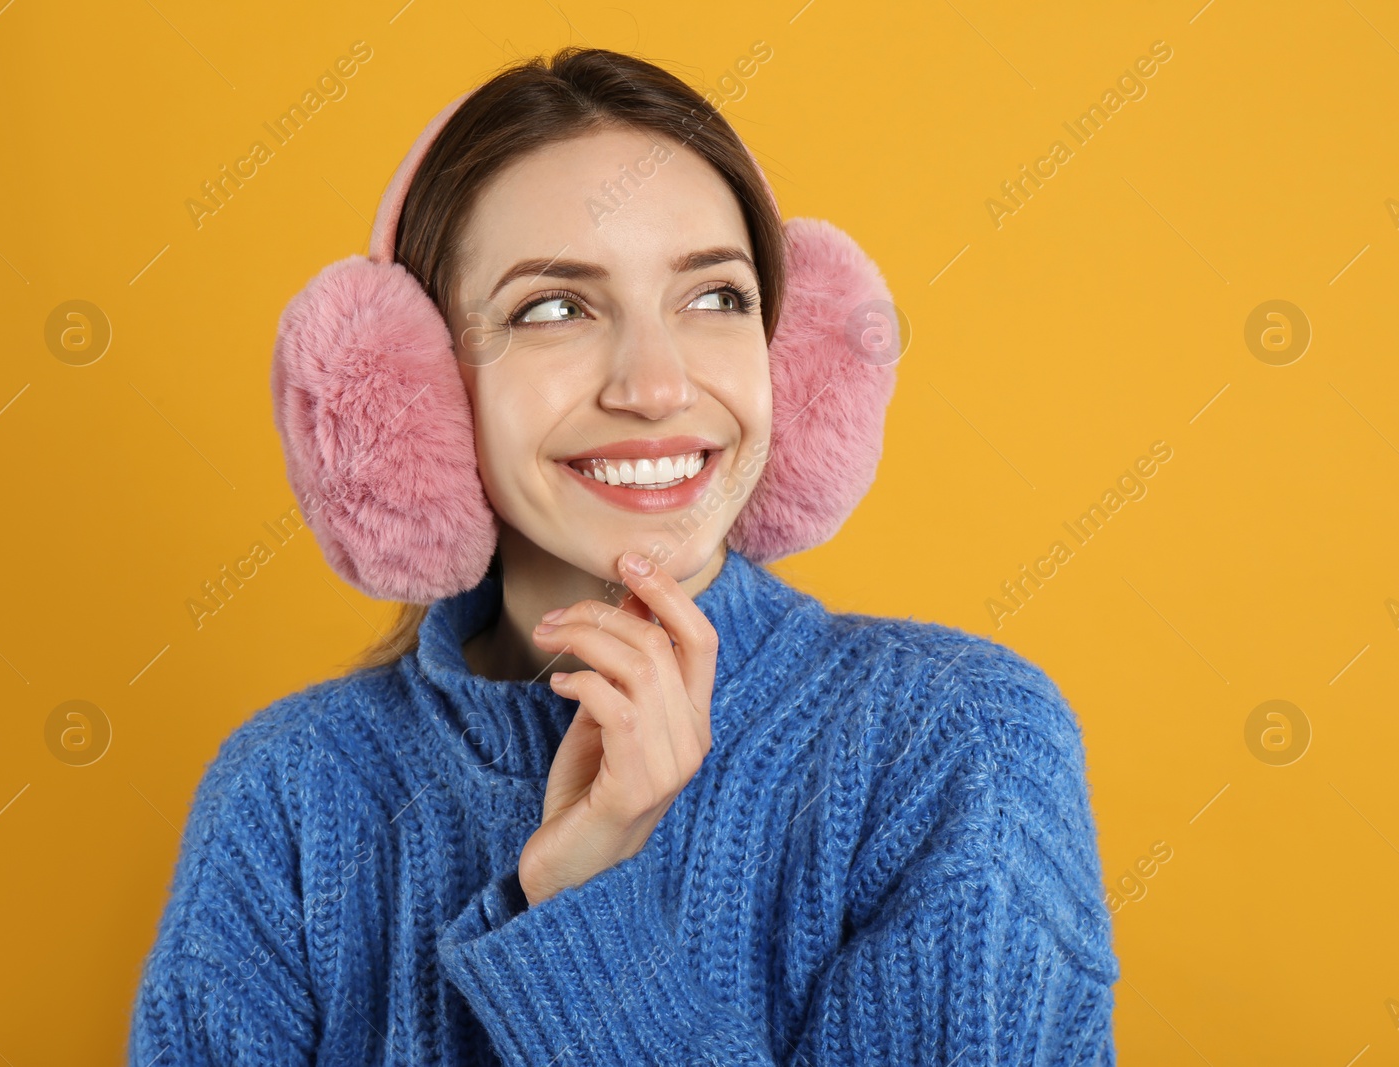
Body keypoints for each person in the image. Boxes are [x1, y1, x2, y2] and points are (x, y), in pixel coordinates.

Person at [128, 45, 1120, 1066]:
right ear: (411, 388)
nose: (654, 385)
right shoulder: (285, 794)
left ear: (792, 352)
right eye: (552, 307)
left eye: (715, 297)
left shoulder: (957, 742)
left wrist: (587, 910)